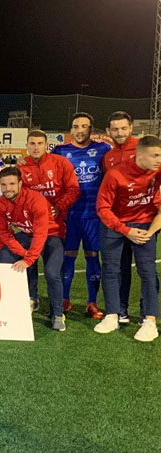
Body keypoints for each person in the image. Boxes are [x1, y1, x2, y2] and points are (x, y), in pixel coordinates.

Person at [94, 135, 161, 341]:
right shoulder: (115, 174)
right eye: (155, 155)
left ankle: (150, 320)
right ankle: (112, 315)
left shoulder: (158, 171)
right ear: (140, 155)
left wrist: (150, 233)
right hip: (115, 225)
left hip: (144, 225)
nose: (159, 159)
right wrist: (125, 230)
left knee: (148, 270)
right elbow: (102, 208)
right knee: (111, 270)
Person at [53, 112, 111, 318]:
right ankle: (64, 299)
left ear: (91, 130)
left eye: (84, 126)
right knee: (67, 257)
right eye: (76, 126)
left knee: (93, 258)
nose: (80, 130)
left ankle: (92, 303)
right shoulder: (60, 151)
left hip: (94, 215)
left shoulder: (103, 149)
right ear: (70, 130)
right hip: (69, 215)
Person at [0, 168, 66, 331]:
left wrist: (29, 258)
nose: (7, 188)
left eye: (11, 184)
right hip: (26, 235)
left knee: (52, 273)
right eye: (3, 185)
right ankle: (30, 299)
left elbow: (41, 233)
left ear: (20, 184)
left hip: (51, 234)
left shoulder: (35, 199)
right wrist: (24, 254)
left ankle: (58, 314)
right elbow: (4, 233)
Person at [18, 130, 80, 312]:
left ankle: (57, 306)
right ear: (27, 146)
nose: (35, 147)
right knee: (29, 261)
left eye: (39, 143)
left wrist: (58, 207)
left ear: (46, 145)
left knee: (53, 268)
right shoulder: (21, 168)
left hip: (56, 225)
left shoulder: (61, 163)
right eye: (32, 143)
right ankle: (32, 297)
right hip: (32, 226)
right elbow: (19, 196)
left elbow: (74, 190)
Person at [104, 111, 140, 323]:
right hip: (115, 221)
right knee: (118, 266)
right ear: (109, 131)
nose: (119, 133)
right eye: (115, 129)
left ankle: (148, 315)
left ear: (131, 128)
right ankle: (120, 311)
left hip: (141, 218)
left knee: (145, 269)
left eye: (123, 128)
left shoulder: (143, 149)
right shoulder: (108, 157)